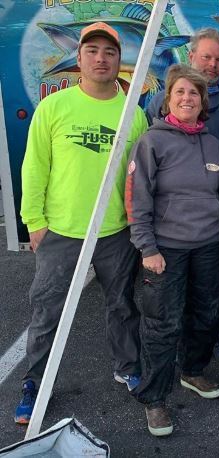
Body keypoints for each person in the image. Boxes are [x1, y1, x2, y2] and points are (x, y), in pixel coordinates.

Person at [15, 22, 148, 424]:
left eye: (109, 52)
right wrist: (33, 221)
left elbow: (138, 178)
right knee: (47, 312)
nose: (101, 58)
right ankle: (34, 382)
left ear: (120, 61)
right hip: (61, 232)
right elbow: (34, 167)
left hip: (115, 234)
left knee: (122, 307)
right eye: (92, 50)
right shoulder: (54, 108)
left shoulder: (133, 114)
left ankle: (127, 367)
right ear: (79, 57)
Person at [126, 64, 219, 437]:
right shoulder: (151, 142)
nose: (187, 98)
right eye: (180, 92)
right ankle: (154, 399)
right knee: (162, 324)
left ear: (203, 103)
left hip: (209, 245)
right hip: (165, 249)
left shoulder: (214, 144)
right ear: (168, 99)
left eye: (194, 93)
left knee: (207, 314)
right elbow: (137, 200)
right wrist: (147, 248)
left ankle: (192, 371)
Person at [147, 28, 219, 364]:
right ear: (191, 56)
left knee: (218, 286)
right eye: (206, 56)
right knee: (173, 293)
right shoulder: (159, 102)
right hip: (173, 224)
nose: (212, 64)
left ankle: (218, 335)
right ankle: (180, 346)